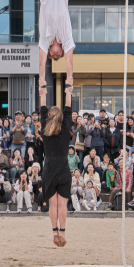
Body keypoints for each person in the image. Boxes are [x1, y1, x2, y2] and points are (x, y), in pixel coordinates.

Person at [39, 74, 75, 247]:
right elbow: (68, 109)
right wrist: (69, 90)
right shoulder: (66, 127)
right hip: (63, 167)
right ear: (61, 118)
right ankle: (63, 232)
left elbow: (42, 109)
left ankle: (54, 232)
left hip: (49, 168)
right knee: (63, 203)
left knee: (52, 204)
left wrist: (43, 91)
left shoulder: (45, 130)